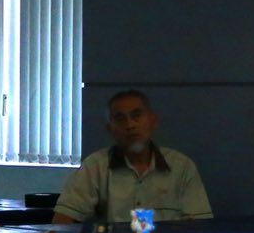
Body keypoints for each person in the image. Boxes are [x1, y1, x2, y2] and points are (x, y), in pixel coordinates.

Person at [54, 90, 212, 224]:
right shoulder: (95, 166)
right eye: (120, 119)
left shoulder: (181, 166)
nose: (130, 125)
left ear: (153, 122)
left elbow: (200, 227)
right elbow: (62, 221)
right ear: (110, 129)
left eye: (137, 116)